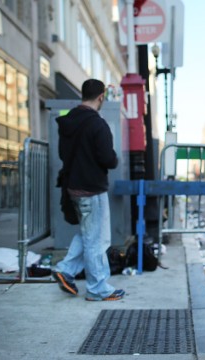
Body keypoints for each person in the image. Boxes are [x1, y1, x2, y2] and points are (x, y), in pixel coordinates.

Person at [52, 79, 124, 302]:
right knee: (97, 240)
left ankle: (65, 269)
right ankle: (97, 289)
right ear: (101, 96)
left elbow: (64, 155)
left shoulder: (68, 121)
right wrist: (114, 159)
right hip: (92, 190)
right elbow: (107, 158)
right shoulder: (97, 124)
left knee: (87, 233)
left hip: (73, 187)